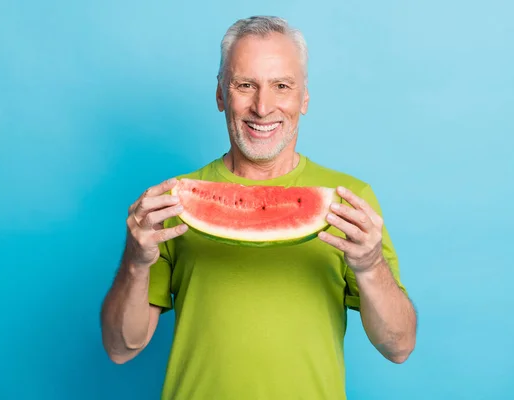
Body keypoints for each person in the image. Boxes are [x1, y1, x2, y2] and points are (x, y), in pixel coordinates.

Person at [101, 15, 417, 400]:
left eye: (281, 86)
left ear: (304, 98)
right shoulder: (170, 202)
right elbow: (121, 348)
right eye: (245, 85)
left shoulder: (349, 200)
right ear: (220, 95)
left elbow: (398, 347)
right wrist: (135, 260)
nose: (262, 107)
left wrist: (370, 265)